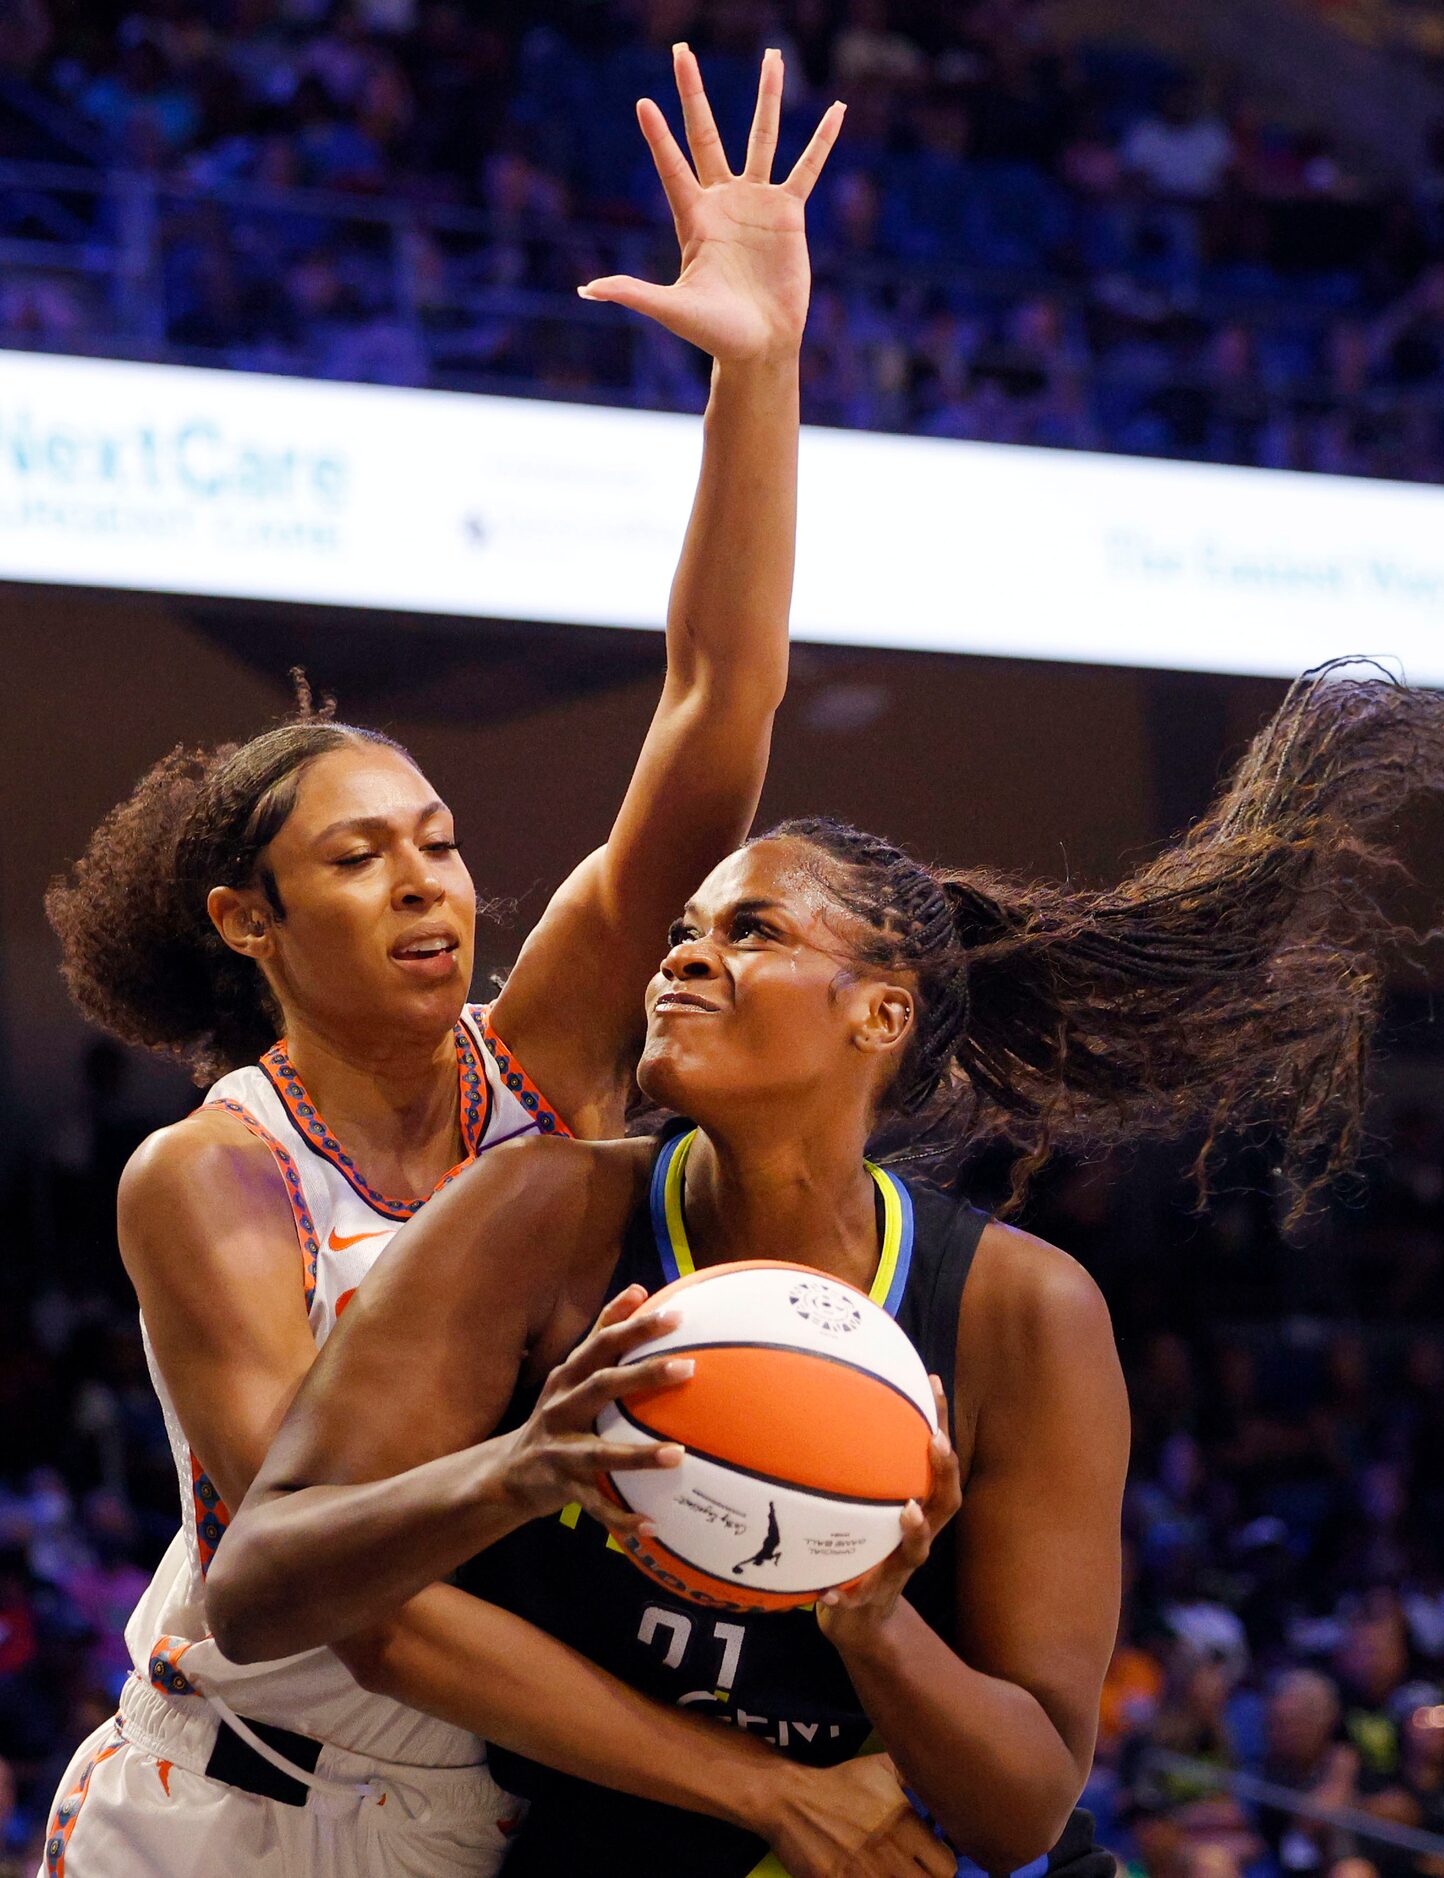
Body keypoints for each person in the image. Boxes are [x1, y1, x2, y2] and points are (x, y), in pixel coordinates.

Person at [35, 43, 936, 1878]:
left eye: (440, 843)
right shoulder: (213, 1178)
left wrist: (757, 372)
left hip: (480, 1804)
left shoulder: (542, 1066)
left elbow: (714, 707)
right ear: (249, 922)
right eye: (357, 861)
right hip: (226, 1796)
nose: (428, 887)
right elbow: (321, 1579)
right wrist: (756, 1777)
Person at [211, 666, 1444, 1873]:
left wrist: (873, 1617)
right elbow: (261, 1583)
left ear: (880, 1010)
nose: (683, 953)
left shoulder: (1019, 1310)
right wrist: (511, 1469)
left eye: (753, 926)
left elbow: (1020, 1808)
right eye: (682, 927)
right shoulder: (539, 1211)